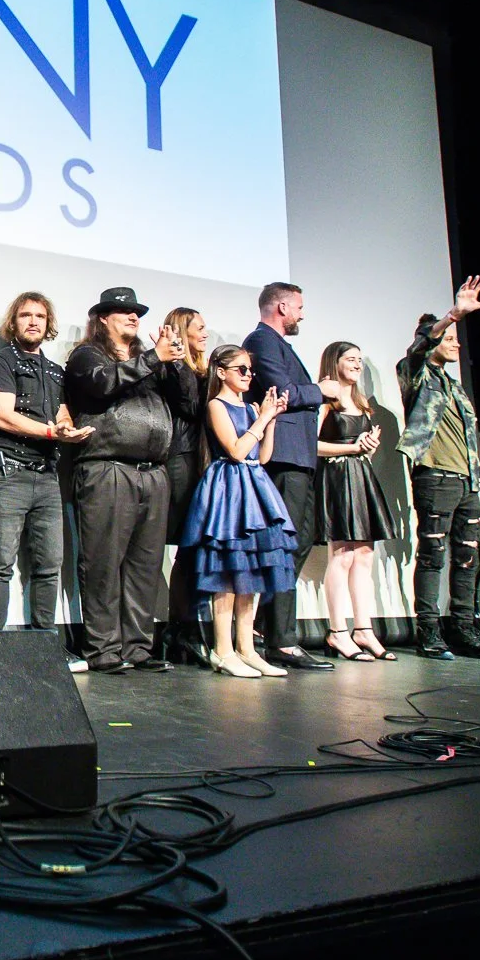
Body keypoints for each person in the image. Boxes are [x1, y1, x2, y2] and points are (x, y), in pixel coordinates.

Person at [64, 287, 182, 673]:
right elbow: (102, 384)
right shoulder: (87, 355)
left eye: (137, 312)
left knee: (145, 566)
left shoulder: (151, 361)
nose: (134, 317)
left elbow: (188, 402)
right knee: (102, 562)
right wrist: (154, 358)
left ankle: (138, 648)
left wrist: (176, 362)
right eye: (124, 311)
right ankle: (102, 649)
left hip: (153, 472)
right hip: (108, 468)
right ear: (102, 318)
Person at [0, 293, 92, 668]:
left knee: (49, 564)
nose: (33, 321)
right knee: (0, 562)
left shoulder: (55, 370)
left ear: (48, 323)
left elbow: (61, 415)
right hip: (8, 469)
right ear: (13, 322)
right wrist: (51, 433)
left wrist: (68, 429)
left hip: (46, 474)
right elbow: (3, 415)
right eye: (25, 315)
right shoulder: (1, 362)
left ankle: (47, 649)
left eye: (40, 316)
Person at [396, 275, 480, 661]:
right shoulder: (417, 376)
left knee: (467, 557)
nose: (456, 343)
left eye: (456, 338)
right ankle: (428, 630)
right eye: (450, 338)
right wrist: (453, 314)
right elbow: (417, 348)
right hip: (436, 478)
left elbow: (471, 441)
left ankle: (464, 627)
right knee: (433, 554)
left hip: (467, 482)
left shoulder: (455, 387)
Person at [181, 346, 296, 678]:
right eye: (241, 369)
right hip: (229, 490)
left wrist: (269, 420)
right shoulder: (216, 406)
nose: (248, 375)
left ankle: (247, 649)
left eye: (249, 370)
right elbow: (235, 450)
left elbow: (262, 456)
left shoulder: (250, 408)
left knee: (251, 573)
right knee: (228, 572)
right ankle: (223, 649)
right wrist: (261, 420)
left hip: (255, 488)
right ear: (221, 372)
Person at [242, 282, 331, 672]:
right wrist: (320, 390)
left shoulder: (277, 343)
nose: (302, 314)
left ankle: (267, 626)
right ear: (281, 306)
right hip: (283, 456)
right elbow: (283, 394)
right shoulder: (261, 341)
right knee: (284, 545)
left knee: (300, 540)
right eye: (298, 307)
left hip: (299, 457)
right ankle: (282, 640)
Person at [315, 341, 396, 662]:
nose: (357, 364)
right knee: (342, 555)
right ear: (334, 362)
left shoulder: (361, 403)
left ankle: (363, 629)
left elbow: (363, 450)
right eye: (351, 359)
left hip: (361, 477)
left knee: (364, 555)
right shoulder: (326, 402)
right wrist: (352, 448)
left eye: (359, 360)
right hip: (336, 479)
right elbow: (312, 445)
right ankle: (337, 632)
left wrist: (368, 447)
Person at [157, 307, 211, 665]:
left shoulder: (201, 369)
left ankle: (185, 629)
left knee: (193, 551)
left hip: (200, 462)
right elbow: (191, 406)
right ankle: (180, 629)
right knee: (187, 547)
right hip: (182, 462)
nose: (206, 333)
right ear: (182, 331)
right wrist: (177, 361)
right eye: (199, 328)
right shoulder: (176, 369)